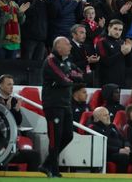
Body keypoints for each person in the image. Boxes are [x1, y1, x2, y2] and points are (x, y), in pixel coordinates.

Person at [39, 36, 83, 177]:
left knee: (68, 135)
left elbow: (81, 75)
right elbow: (62, 79)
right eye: (68, 44)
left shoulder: (67, 62)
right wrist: (70, 78)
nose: (70, 46)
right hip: (53, 104)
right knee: (55, 137)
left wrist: (69, 76)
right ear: (58, 47)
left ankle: (46, 164)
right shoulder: (50, 61)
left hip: (65, 104)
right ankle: (53, 170)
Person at [90, 106, 132, 173]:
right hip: (109, 155)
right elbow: (101, 146)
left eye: (108, 114)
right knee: (123, 157)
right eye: (105, 116)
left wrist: (127, 147)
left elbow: (124, 139)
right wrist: (119, 150)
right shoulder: (93, 129)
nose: (108, 117)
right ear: (97, 119)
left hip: (123, 151)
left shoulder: (113, 126)